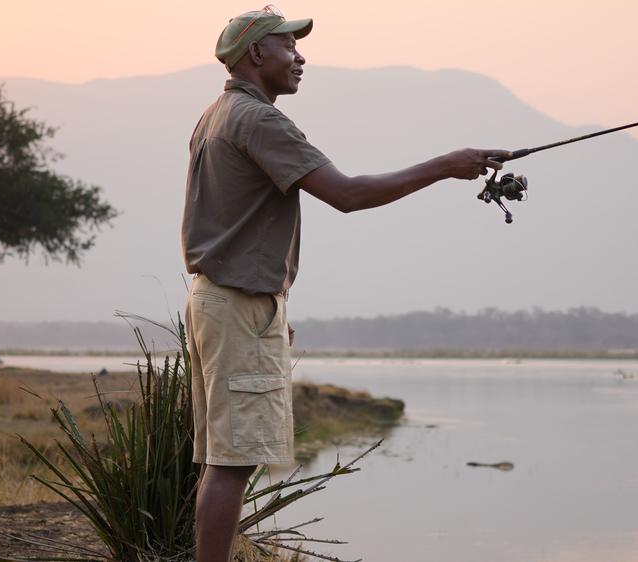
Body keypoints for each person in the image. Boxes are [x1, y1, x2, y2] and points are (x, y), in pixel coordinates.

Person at [182, 6, 511, 561]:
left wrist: (269, 310)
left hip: (222, 301)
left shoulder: (215, 115)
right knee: (233, 464)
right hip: (236, 305)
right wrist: (446, 166)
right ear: (256, 52)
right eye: (288, 46)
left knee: (222, 460)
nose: (300, 57)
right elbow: (348, 194)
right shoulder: (259, 120)